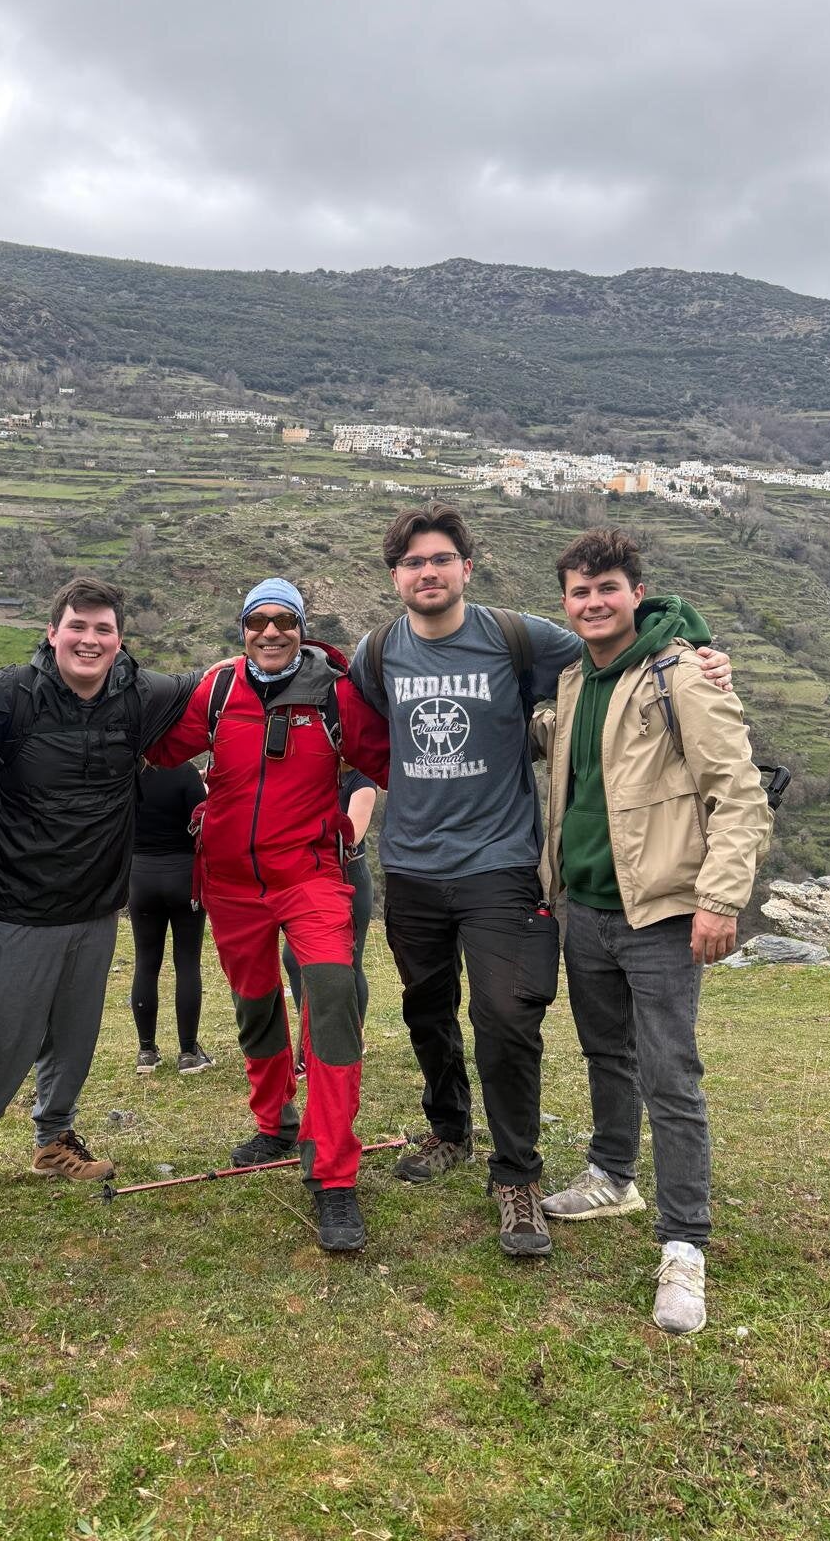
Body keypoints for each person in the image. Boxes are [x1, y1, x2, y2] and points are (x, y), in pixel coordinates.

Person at [349, 503, 733, 1259]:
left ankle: (517, 1173)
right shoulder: (377, 651)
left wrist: (701, 649)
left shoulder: (517, 635)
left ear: (467, 565)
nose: (428, 573)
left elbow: (619, 638)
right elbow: (357, 721)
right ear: (396, 576)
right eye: (413, 563)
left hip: (501, 865)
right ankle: (449, 1128)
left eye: (441, 559)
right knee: (427, 1010)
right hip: (414, 869)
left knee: (506, 1020)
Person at [538, 528, 769, 1334]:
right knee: (608, 1051)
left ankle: (684, 1244)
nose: (594, 602)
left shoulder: (680, 674)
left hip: (666, 912)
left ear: (636, 592)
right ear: (564, 603)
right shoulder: (574, 681)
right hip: (589, 908)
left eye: (608, 588)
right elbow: (565, 757)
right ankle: (612, 1173)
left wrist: (721, 897)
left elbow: (738, 793)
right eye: (580, 591)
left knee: (671, 1074)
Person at [0, 577, 199, 1197]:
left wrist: (296, 655)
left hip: (97, 906)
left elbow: (208, 688)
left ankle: (54, 1138)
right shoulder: (6, 697)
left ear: (119, 639)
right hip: (13, 906)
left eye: (103, 628)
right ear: (52, 634)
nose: (89, 639)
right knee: (2, 1035)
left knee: (75, 1034)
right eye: (77, 626)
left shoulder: (138, 695)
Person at [148, 578, 389, 1253]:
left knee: (334, 995)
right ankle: (274, 1120)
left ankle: (334, 1172)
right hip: (228, 880)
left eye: (286, 620)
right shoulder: (218, 689)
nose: (272, 631)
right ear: (243, 626)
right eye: (259, 620)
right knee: (254, 1001)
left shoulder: (336, 695)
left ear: (302, 628)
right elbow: (161, 745)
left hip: (309, 874)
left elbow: (390, 761)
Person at [282, 769, 377, 1075]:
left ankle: (351, 1037)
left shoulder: (361, 781)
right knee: (294, 958)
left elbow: (350, 837)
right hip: (312, 876)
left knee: (349, 963)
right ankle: (314, 1039)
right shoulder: (320, 770)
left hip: (349, 877)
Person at [130, 761, 213, 1075]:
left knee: (146, 963)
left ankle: (146, 1051)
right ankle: (188, 1053)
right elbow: (204, 820)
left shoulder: (130, 771)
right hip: (182, 876)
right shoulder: (184, 772)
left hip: (140, 877)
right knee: (187, 962)